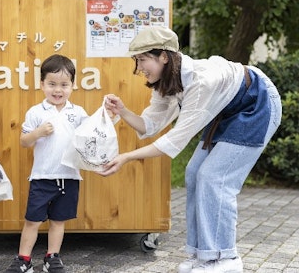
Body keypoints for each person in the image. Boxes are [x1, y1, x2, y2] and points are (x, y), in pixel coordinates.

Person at [99, 26, 282, 273]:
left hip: (256, 103)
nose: (139, 67)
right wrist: (122, 111)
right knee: (194, 172)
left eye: (142, 59)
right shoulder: (168, 82)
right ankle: (203, 255)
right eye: (137, 60)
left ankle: (226, 258)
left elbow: (174, 141)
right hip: (226, 111)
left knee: (215, 177)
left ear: (164, 56)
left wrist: (126, 157)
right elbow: (149, 125)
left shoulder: (201, 82)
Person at [5, 54, 89, 273]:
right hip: (42, 177)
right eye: (52, 84)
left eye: (64, 85)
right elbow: (24, 141)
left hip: (69, 177)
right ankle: (24, 259)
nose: (58, 90)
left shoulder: (78, 113)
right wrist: (38, 132)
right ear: (42, 84)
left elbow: (91, 134)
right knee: (32, 220)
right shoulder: (36, 112)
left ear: (72, 85)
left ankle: (52, 257)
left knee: (58, 221)